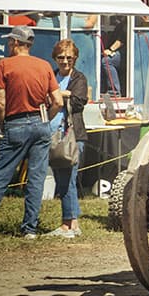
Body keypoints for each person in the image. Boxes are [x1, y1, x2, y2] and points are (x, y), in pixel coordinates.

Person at [0, 26, 64, 238]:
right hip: (40, 124)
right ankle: (29, 228)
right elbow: (58, 101)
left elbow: (0, 103)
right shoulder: (44, 66)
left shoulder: (5, 65)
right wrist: (45, 118)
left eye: (10, 42)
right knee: (36, 178)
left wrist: (4, 127)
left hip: (16, 123)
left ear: (15, 43)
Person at [45, 39, 88, 238]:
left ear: (75, 58)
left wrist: (58, 94)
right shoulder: (51, 76)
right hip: (52, 135)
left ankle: (72, 224)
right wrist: (64, 94)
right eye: (61, 57)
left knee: (69, 179)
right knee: (61, 181)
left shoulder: (79, 78)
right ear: (55, 58)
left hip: (73, 135)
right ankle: (68, 223)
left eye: (69, 57)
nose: (65, 61)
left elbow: (80, 101)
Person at [101, 15, 125, 96]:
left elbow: (121, 40)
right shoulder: (120, 25)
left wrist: (111, 50)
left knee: (107, 61)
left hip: (126, 54)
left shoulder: (126, 24)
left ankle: (114, 92)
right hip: (120, 51)